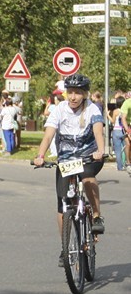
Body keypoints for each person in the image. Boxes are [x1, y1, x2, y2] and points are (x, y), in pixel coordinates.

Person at [33, 73, 105, 266]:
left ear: (84, 94)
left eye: (78, 93)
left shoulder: (92, 109)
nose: (73, 97)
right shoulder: (59, 109)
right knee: (63, 203)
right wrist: (40, 156)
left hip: (90, 156)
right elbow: (48, 136)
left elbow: (98, 130)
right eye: (70, 92)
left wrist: (100, 150)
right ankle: (66, 248)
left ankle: (96, 216)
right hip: (66, 159)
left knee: (87, 175)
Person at [109, 96, 129, 171]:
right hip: (124, 130)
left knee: (117, 150)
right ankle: (127, 164)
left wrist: (108, 115)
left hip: (116, 131)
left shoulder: (115, 111)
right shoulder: (125, 110)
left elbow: (113, 121)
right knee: (126, 148)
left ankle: (120, 167)